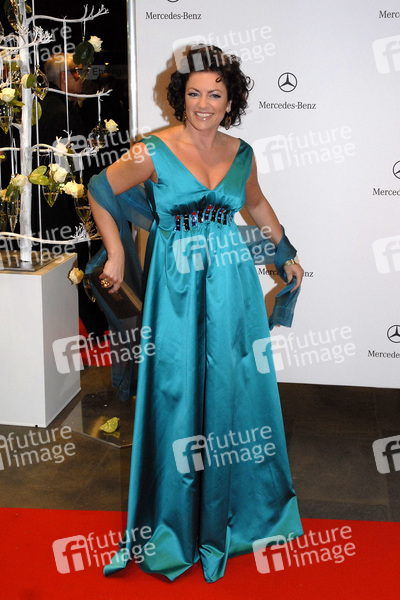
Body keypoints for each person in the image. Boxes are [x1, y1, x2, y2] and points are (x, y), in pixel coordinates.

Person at [88, 45, 304, 583]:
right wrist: (115, 254)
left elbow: (256, 205)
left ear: (231, 101)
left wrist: (284, 253)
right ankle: (175, 522)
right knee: (176, 389)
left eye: (215, 94)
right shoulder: (153, 149)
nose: (204, 103)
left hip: (231, 283)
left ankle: (237, 514)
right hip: (177, 285)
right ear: (180, 98)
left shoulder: (241, 152)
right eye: (194, 93)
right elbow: (100, 188)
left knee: (234, 387)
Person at [35, 52, 107, 335]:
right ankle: (93, 327)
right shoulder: (61, 111)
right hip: (61, 205)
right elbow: (74, 164)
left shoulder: (47, 105)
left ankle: (85, 324)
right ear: (64, 78)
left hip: (48, 205)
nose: (82, 78)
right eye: (78, 72)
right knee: (73, 264)